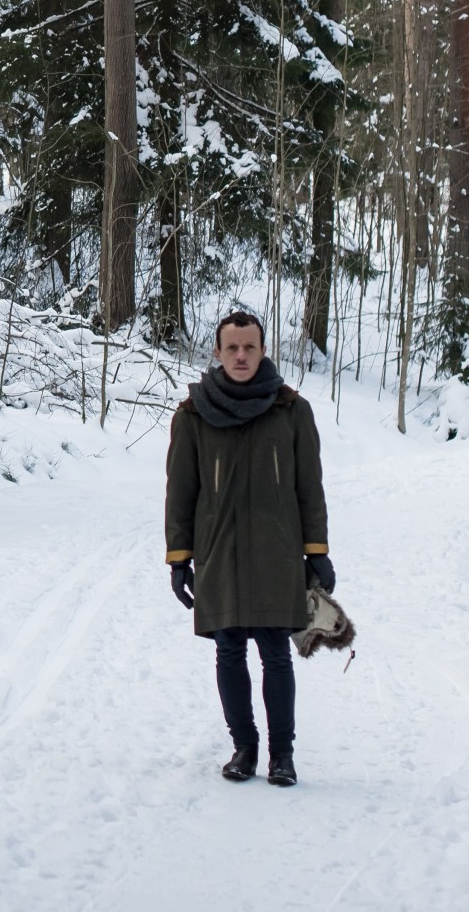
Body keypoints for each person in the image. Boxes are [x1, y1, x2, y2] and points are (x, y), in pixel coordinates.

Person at [164, 308, 333, 787]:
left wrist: (316, 550)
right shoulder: (193, 414)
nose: (241, 355)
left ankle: (283, 755)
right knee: (229, 650)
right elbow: (181, 492)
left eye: (250, 347)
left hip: (276, 552)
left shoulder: (291, 411)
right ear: (217, 353)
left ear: (263, 350)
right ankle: (244, 747)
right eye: (232, 348)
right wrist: (179, 558)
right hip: (217, 551)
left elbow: (310, 487)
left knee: (276, 652)